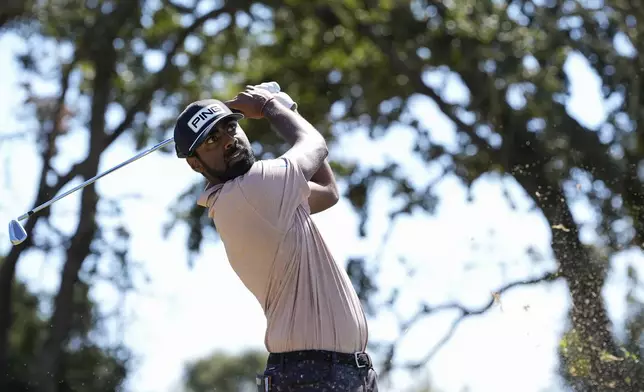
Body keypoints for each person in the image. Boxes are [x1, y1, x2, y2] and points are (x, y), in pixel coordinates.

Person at [173, 83, 379, 391]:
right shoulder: (251, 189)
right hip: (312, 373)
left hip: (338, 372)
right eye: (212, 139)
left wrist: (287, 109)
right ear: (195, 163)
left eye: (230, 126)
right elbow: (314, 144)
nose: (228, 140)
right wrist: (270, 105)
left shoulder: (264, 198)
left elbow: (328, 191)